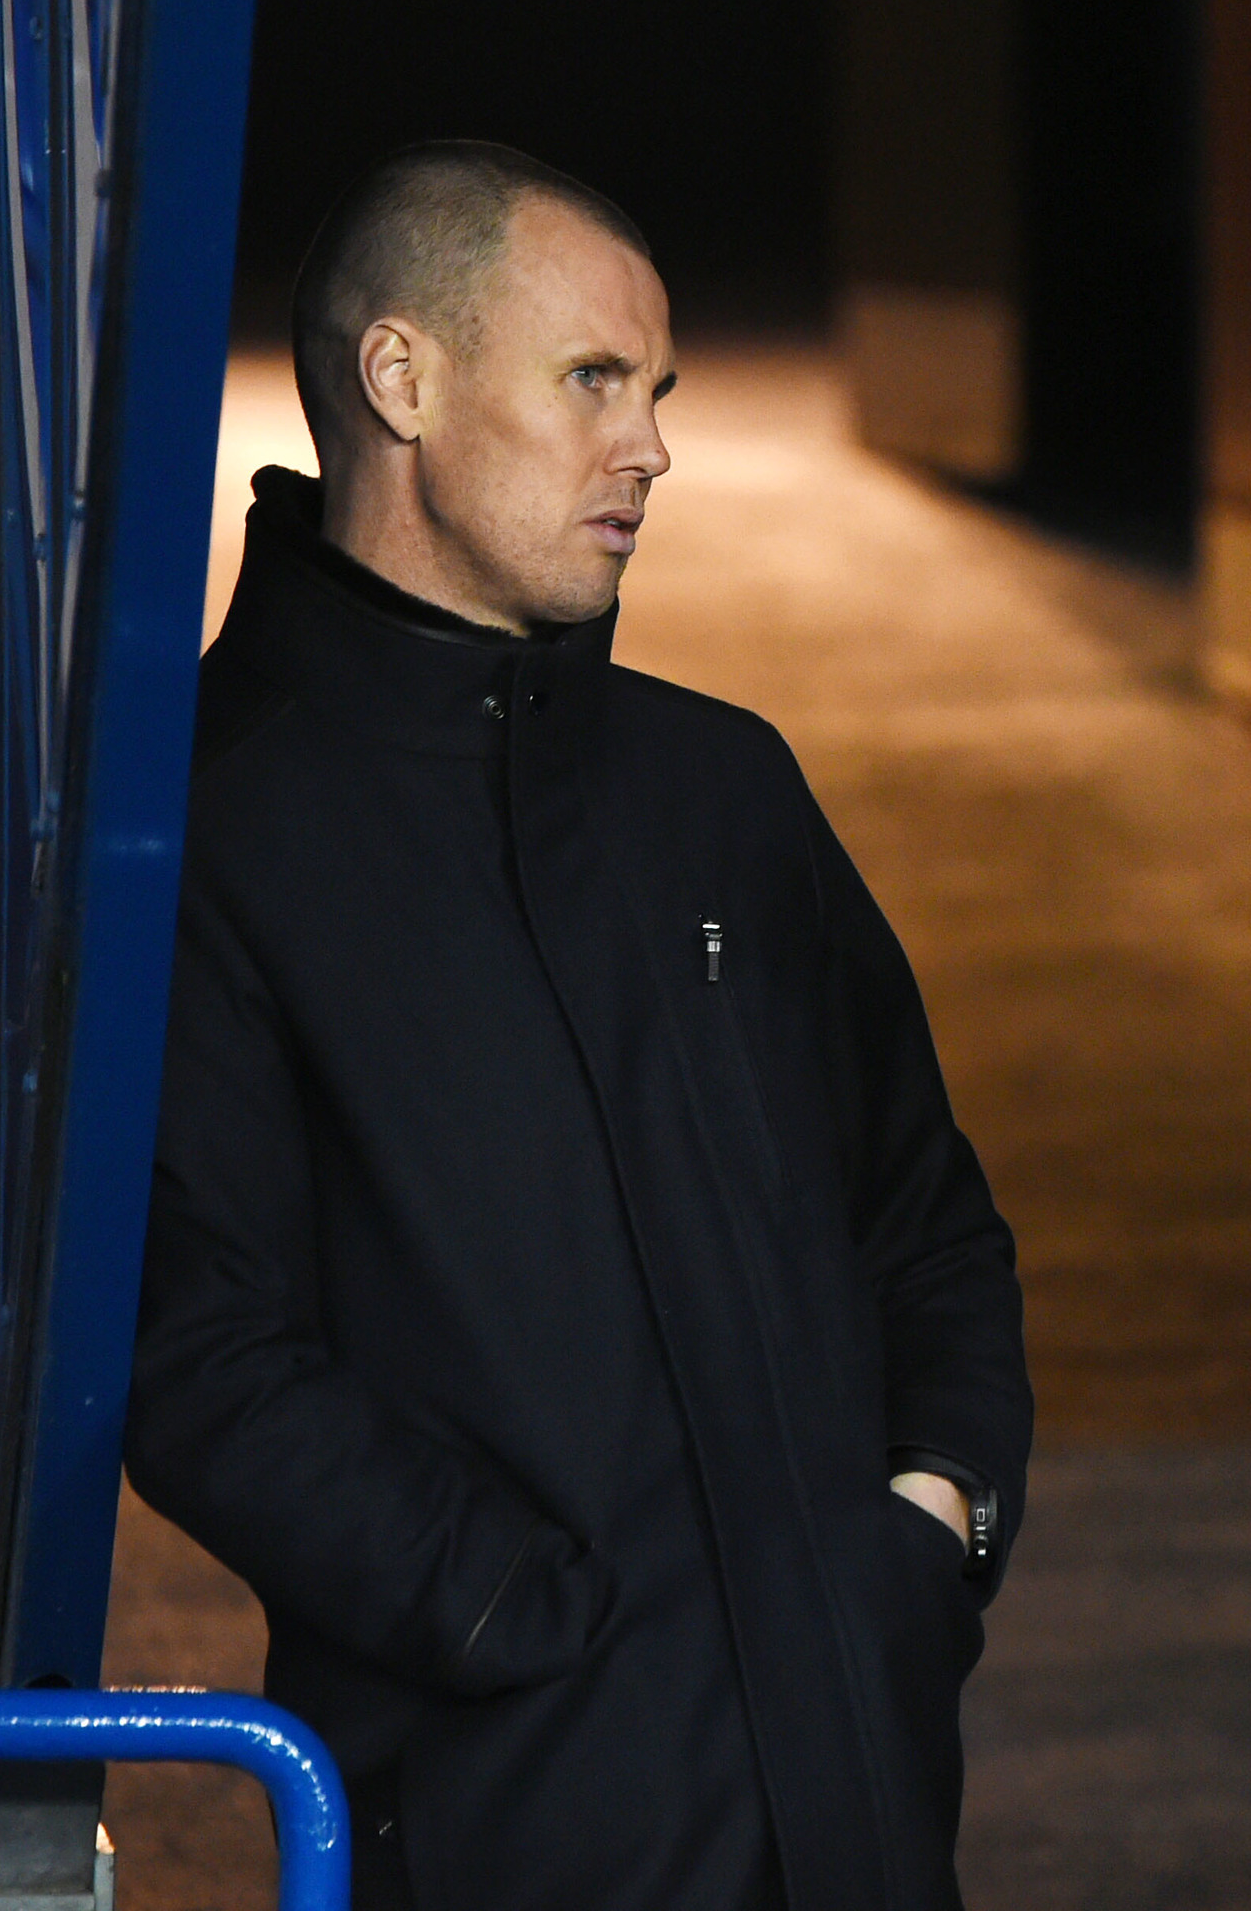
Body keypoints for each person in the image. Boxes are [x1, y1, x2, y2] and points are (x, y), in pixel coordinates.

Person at [125, 142, 1031, 1911]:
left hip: (855, 1812)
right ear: (403, 380)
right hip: (507, 1821)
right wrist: (510, 1612)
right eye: (595, 380)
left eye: (662, 389)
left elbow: (926, 1216)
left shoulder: (722, 789)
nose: (655, 445)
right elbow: (194, 1353)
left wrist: (931, 1532)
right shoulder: (217, 833)